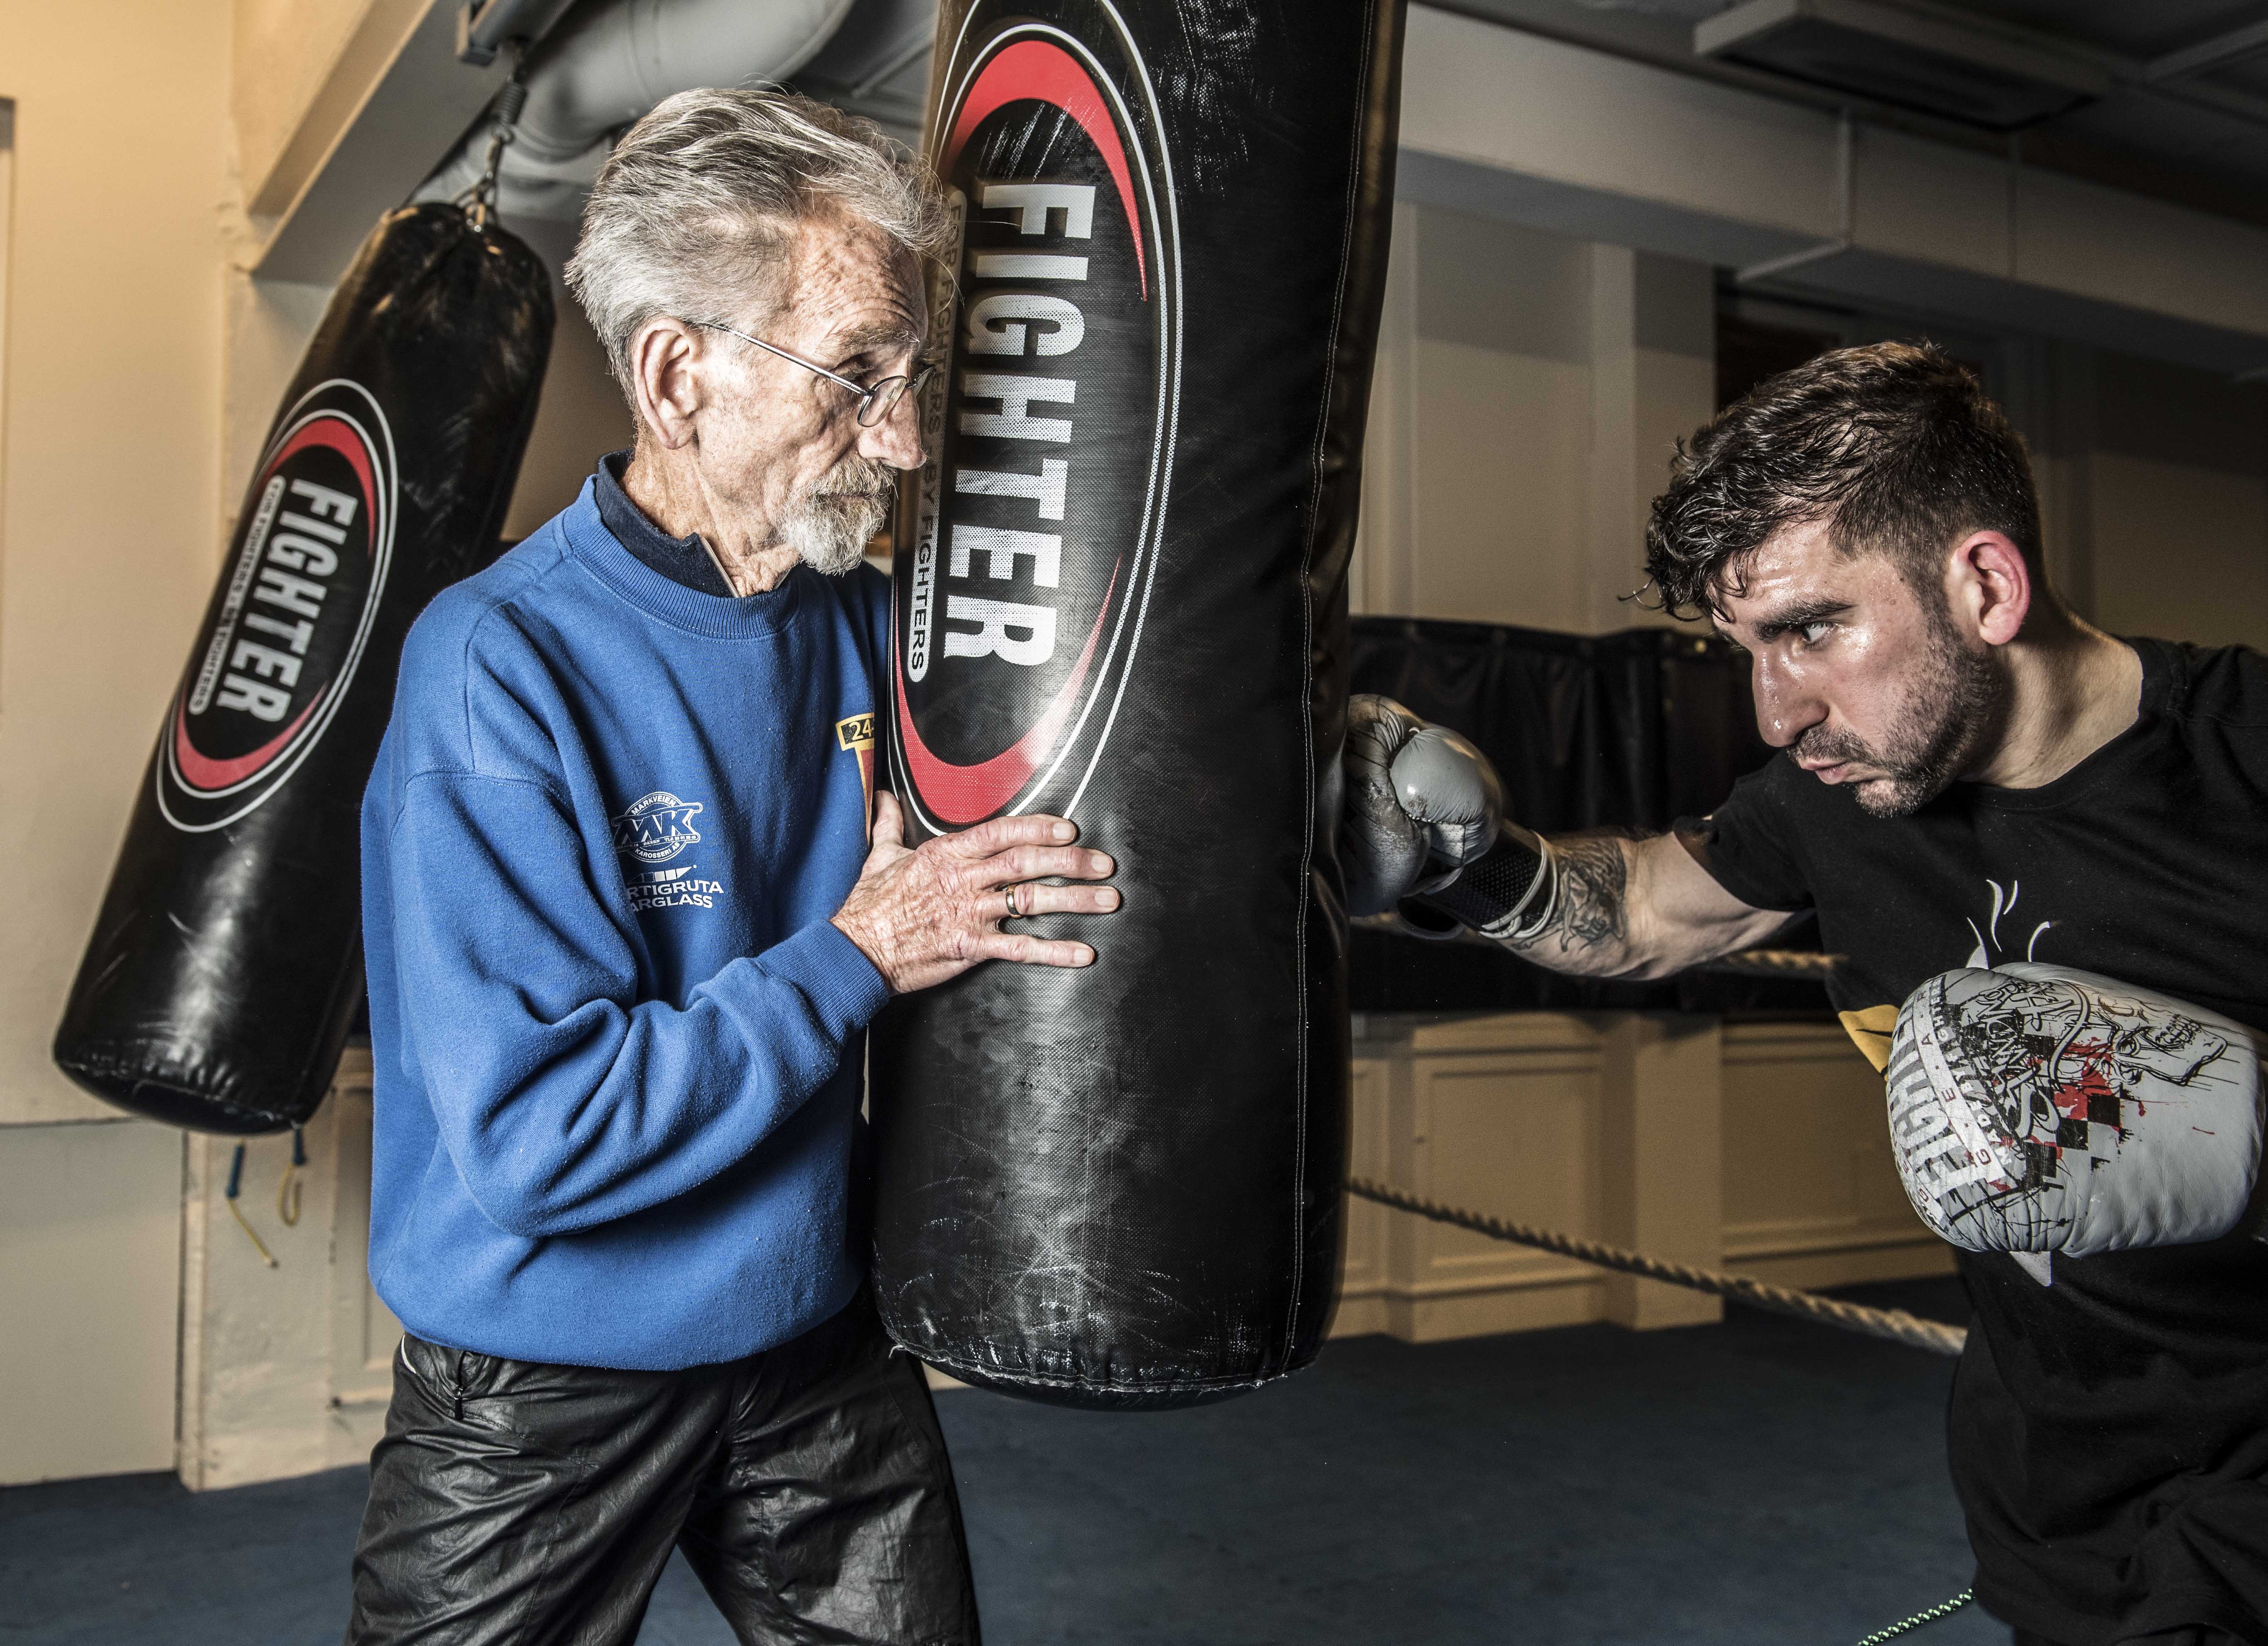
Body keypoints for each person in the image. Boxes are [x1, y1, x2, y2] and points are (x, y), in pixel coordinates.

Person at [349, 87, 1470, 1645]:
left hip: (811, 1335)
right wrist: (858, 954)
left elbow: (1070, 807)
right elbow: (541, 1137)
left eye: (914, 372)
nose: (907, 435)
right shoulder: (501, 666)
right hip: (550, 1371)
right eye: (856, 376)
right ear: (680, 375)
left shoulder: (874, 620)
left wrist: (1278, 780)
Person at [1403, 341, 2268, 1646]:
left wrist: (2249, 1140)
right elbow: (1641, 911)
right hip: (2055, 1490)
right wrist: (1469, 866)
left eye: (1814, 629)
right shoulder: (1839, 798)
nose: (1774, 710)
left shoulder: (2249, 764)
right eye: (1745, 646)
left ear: (1984, 582)